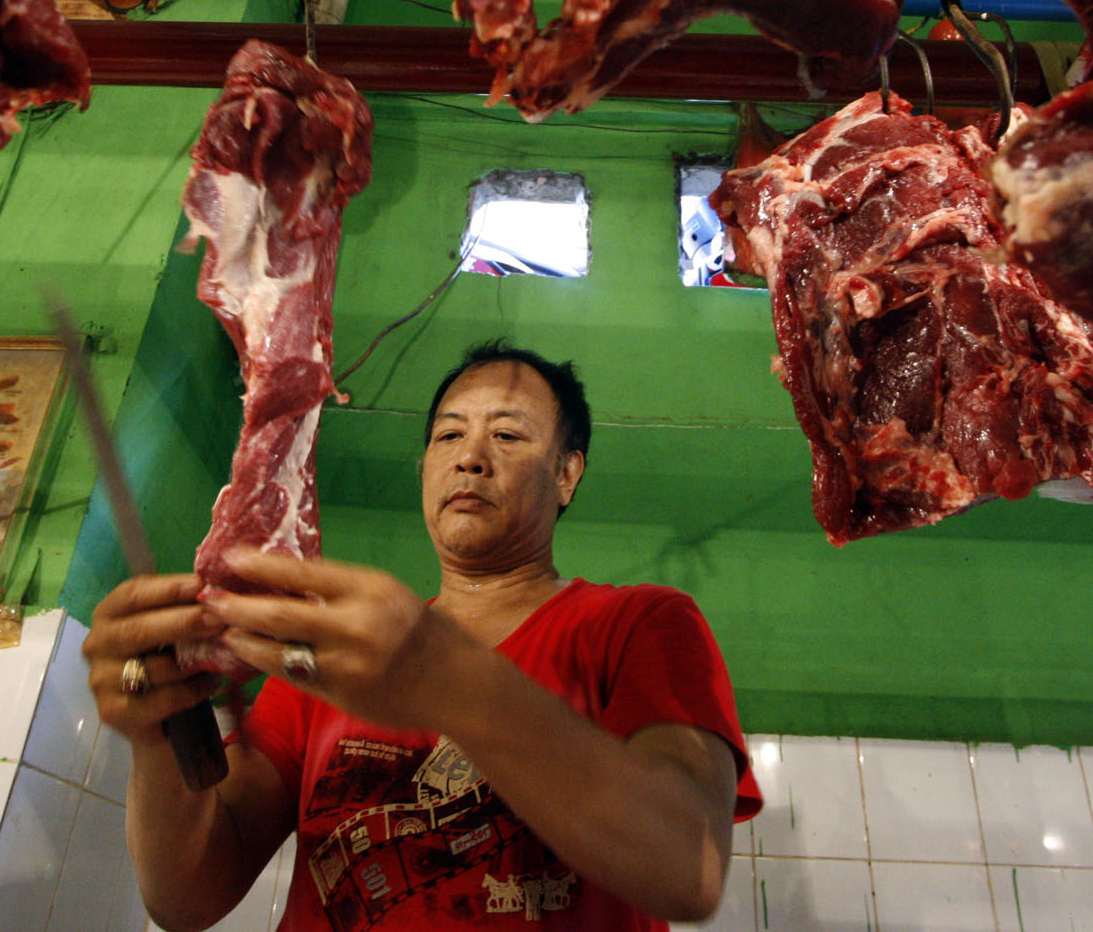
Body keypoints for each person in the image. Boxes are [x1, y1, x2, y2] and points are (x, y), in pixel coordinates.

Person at [83, 343, 761, 930]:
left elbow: (689, 863)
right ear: (423, 469)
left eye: (509, 436)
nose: (470, 457)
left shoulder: (638, 623)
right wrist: (158, 734)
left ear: (566, 473)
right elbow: (189, 896)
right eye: (447, 436)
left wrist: (447, 679)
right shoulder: (337, 644)